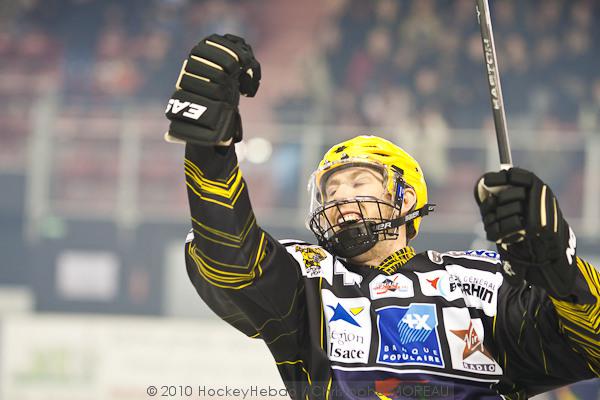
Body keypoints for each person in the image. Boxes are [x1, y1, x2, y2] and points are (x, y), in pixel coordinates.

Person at [164, 34, 600, 400]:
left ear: (406, 199)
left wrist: (560, 272)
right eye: (330, 191)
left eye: (358, 182)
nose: (340, 198)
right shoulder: (308, 280)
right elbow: (231, 262)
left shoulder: (482, 282)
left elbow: (591, 349)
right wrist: (209, 149)